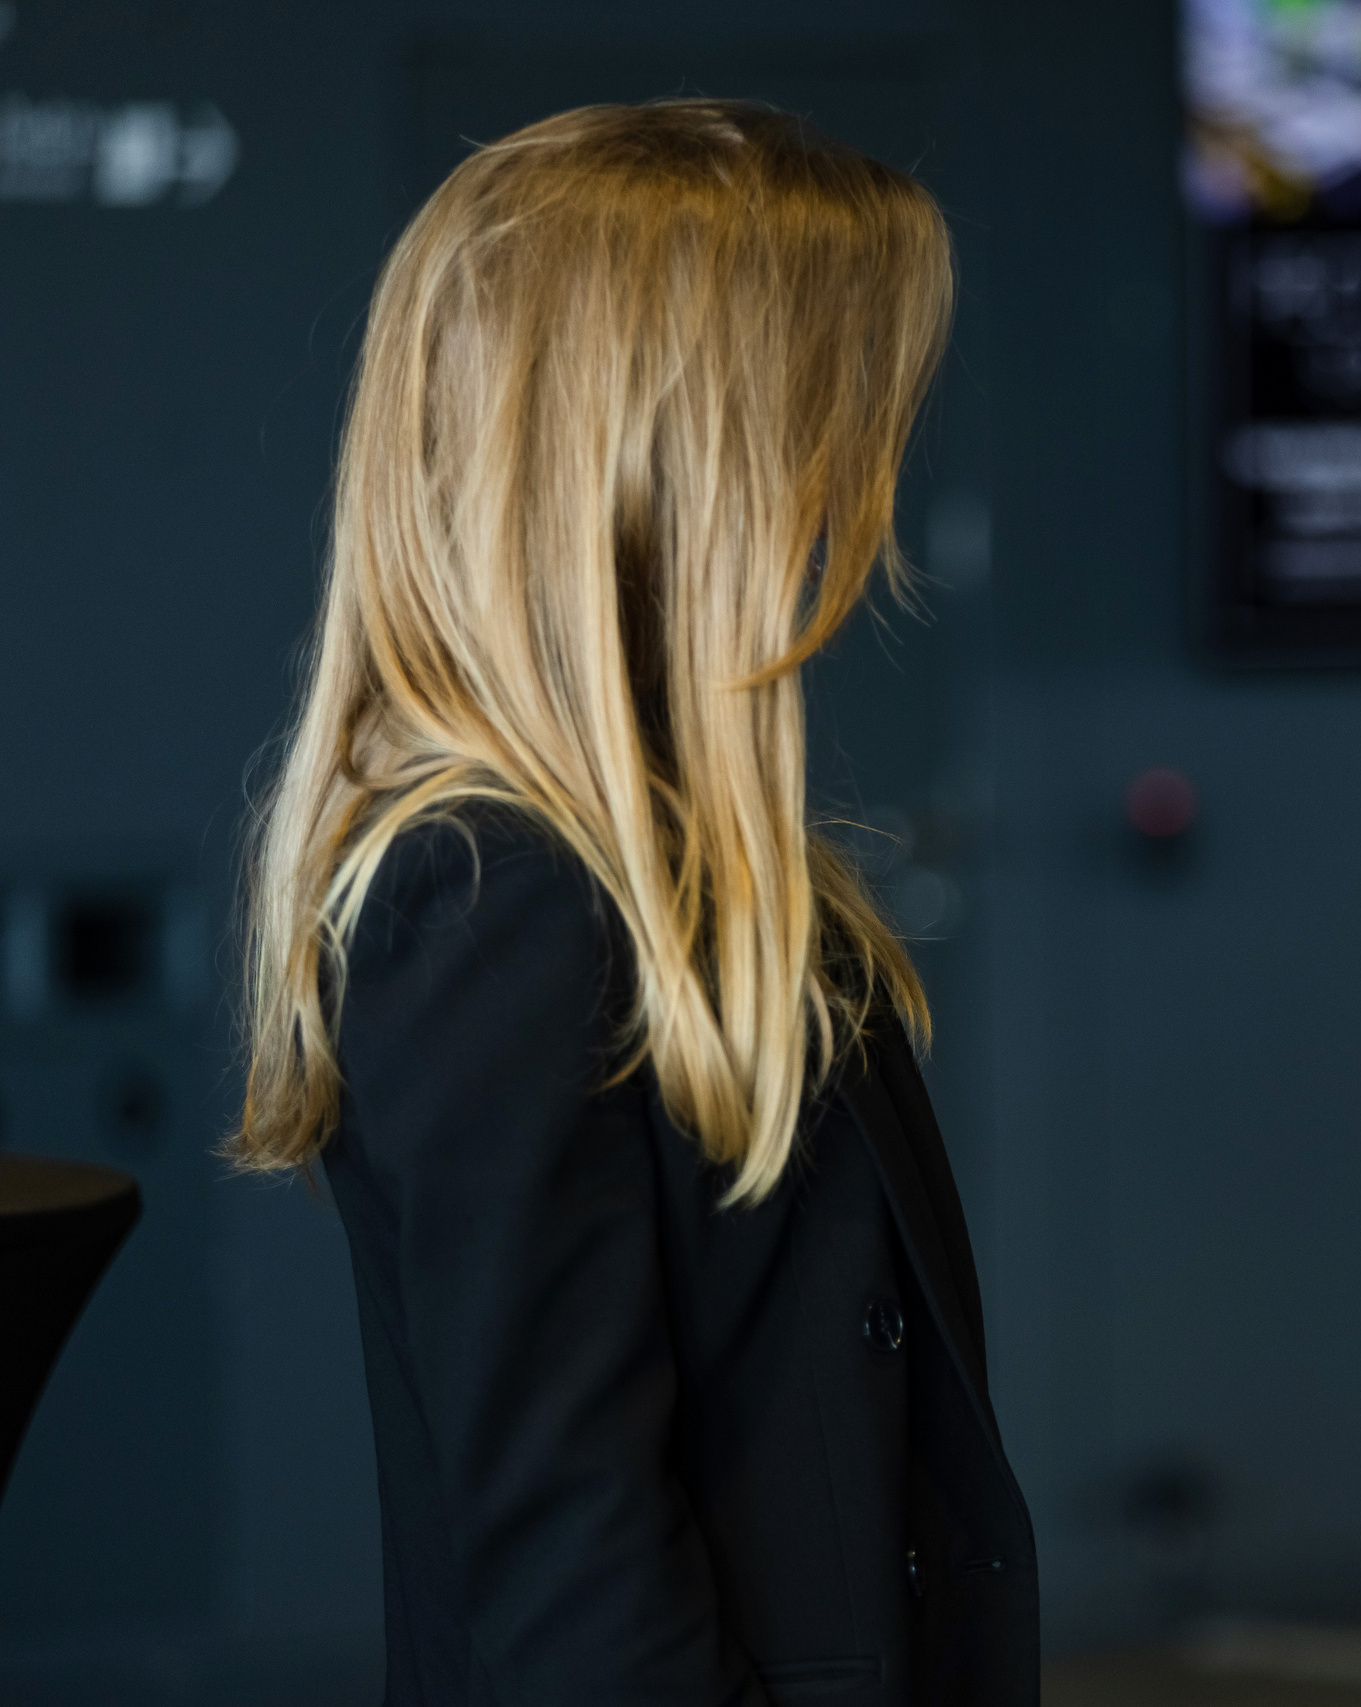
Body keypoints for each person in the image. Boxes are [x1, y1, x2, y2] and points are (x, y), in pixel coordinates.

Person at [229, 101, 1035, 1705]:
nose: (856, 481)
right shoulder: (491, 898)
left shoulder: (660, 866)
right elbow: (575, 1573)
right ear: (684, 448)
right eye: (835, 411)